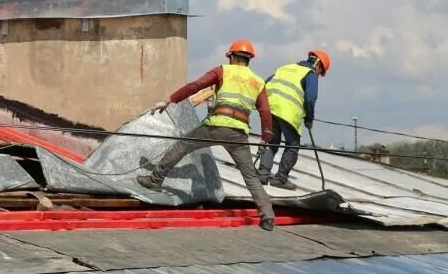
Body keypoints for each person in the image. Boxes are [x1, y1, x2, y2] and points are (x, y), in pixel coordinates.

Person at [137, 40, 276, 231]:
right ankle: (267, 216)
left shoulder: (223, 71)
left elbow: (196, 85)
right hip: (238, 133)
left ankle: (155, 180)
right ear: (249, 60)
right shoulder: (258, 81)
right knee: (250, 176)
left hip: (216, 125)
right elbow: (265, 112)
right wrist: (265, 138)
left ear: (231, 57)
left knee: (182, 146)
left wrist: (170, 100)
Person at [258, 50, 330, 190]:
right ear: (318, 65)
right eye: (320, 72)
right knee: (292, 145)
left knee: (272, 142)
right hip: (288, 112)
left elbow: (266, 83)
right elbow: (310, 98)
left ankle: (262, 174)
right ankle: (280, 178)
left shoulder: (286, 67)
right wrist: (309, 119)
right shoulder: (310, 74)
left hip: (270, 108)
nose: (319, 75)